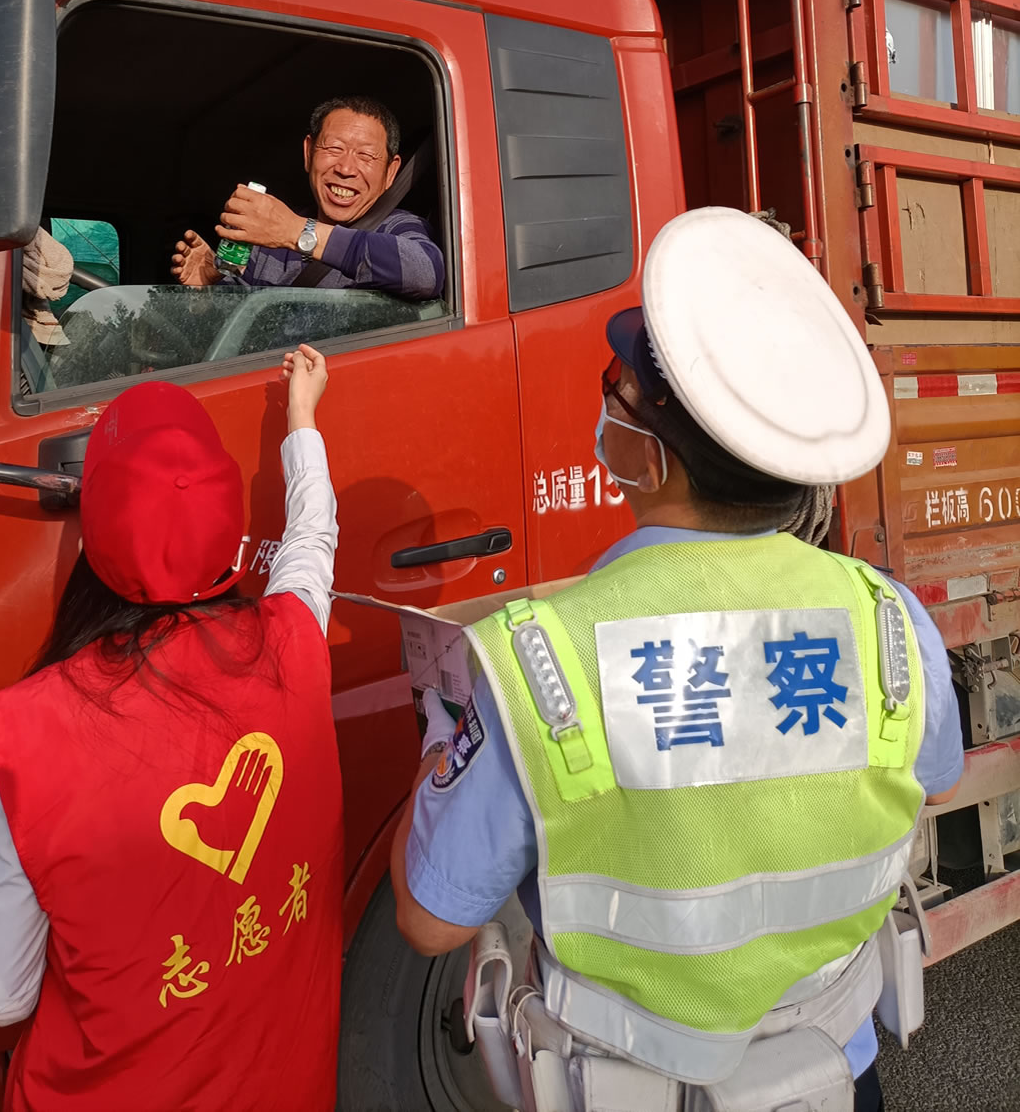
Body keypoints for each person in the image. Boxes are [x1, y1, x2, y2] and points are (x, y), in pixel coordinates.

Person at [391, 208, 964, 1112]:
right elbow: (930, 783)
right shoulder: (888, 618)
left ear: (653, 460)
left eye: (612, 392)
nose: (603, 410)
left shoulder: (542, 657)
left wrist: (439, 748)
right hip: (837, 1074)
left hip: (631, 1086)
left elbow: (430, 919)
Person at [0, 345, 342, 1112]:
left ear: (90, 538)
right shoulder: (295, 645)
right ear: (231, 534)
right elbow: (311, 542)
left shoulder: (30, 740)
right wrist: (301, 418)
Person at [172, 96, 444, 301]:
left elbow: (425, 273)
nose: (346, 169)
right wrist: (212, 286)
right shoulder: (268, 241)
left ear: (390, 172)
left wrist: (297, 232)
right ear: (308, 153)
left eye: (365, 155)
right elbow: (248, 326)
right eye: (334, 148)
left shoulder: (397, 227)